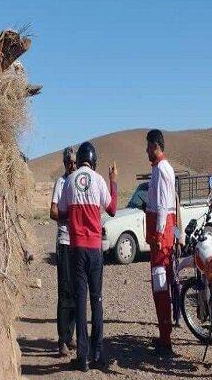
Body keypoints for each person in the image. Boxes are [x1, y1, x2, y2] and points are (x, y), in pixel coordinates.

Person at [58, 141, 118, 372]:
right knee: (97, 300)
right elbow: (112, 209)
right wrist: (113, 180)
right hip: (94, 250)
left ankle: (82, 358)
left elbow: (62, 210)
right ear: (93, 161)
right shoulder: (99, 180)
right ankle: (98, 352)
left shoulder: (70, 180)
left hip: (76, 250)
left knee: (80, 301)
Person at [145, 129, 176, 356]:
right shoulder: (158, 169)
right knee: (160, 285)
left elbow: (165, 205)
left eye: (148, 146)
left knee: (161, 284)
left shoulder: (163, 170)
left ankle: (165, 338)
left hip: (161, 238)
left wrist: (158, 234)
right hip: (162, 235)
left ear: (156, 146)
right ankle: (163, 332)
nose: (146, 150)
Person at [49, 147, 77, 357]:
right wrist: (71, 215)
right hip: (65, 240)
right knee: (64, 291)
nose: (72, 165)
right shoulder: (61, 183)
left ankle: (71, 334)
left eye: (74, 162)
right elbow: (53, 212)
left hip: (79, 243)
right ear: (64, 163)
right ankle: (61, 340)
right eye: (68, 162)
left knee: (78, 290)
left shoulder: (79, 181)